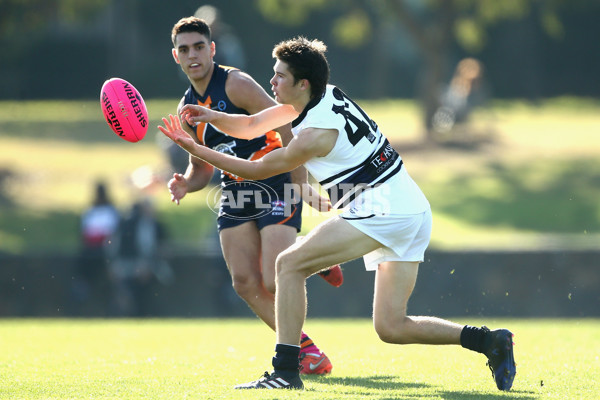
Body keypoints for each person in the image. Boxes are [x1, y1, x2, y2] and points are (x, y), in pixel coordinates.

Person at [158, 36, 517, 392]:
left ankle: (285, 371)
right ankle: (489, 341)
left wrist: (194, 147)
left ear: (302, 83)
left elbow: (256, 170)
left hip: (383, 208)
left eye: (280, 76)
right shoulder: (320, 95)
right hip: (409, 206)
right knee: (391, 327)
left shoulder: (314, 134)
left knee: (287, 265)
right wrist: (211, 116)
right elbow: (252, 125)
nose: (272, 82)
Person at [166, 17, 343, 374]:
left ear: (212, 49)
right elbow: (201, 167)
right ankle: (306, 351)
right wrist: (185, 182)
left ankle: (311, 251)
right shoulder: (188, 108)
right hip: (233, 190)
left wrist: (301, 184)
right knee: (245, 283)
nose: (193, 55)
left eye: (199, 46)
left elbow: (287, 124)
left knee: (273, 278)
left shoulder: (236, 84)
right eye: (184, 49)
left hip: (274, 179)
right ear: (176, 56)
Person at [107, 198, 171, 316]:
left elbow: (160, 250)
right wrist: (114, 266)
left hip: (150, 266)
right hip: (127, 266)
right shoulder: (124, 225)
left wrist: (148, 265)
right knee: (124, 286)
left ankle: (145, 313)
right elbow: (113, 247)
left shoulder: (153, 226)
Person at [71, 181, 120, 315]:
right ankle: (82, 288)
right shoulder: (93, 211)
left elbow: (113, 234)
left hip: (105, 252)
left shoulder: (106, 211)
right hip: (91, 251)